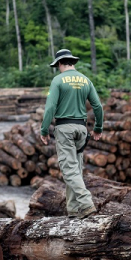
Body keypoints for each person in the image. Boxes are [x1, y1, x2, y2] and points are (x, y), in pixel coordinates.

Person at [40, 49, 104, 219]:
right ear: (72, 62)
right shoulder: (85, 80)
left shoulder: (57, 80)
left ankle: (86, 203)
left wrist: (44, 130)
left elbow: (50, 108)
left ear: (60, 63)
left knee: (68, 169)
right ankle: (73, 210)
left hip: (64, 128)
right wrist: (98, 127)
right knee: (75, 169)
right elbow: (97, 106)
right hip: (81, 129)